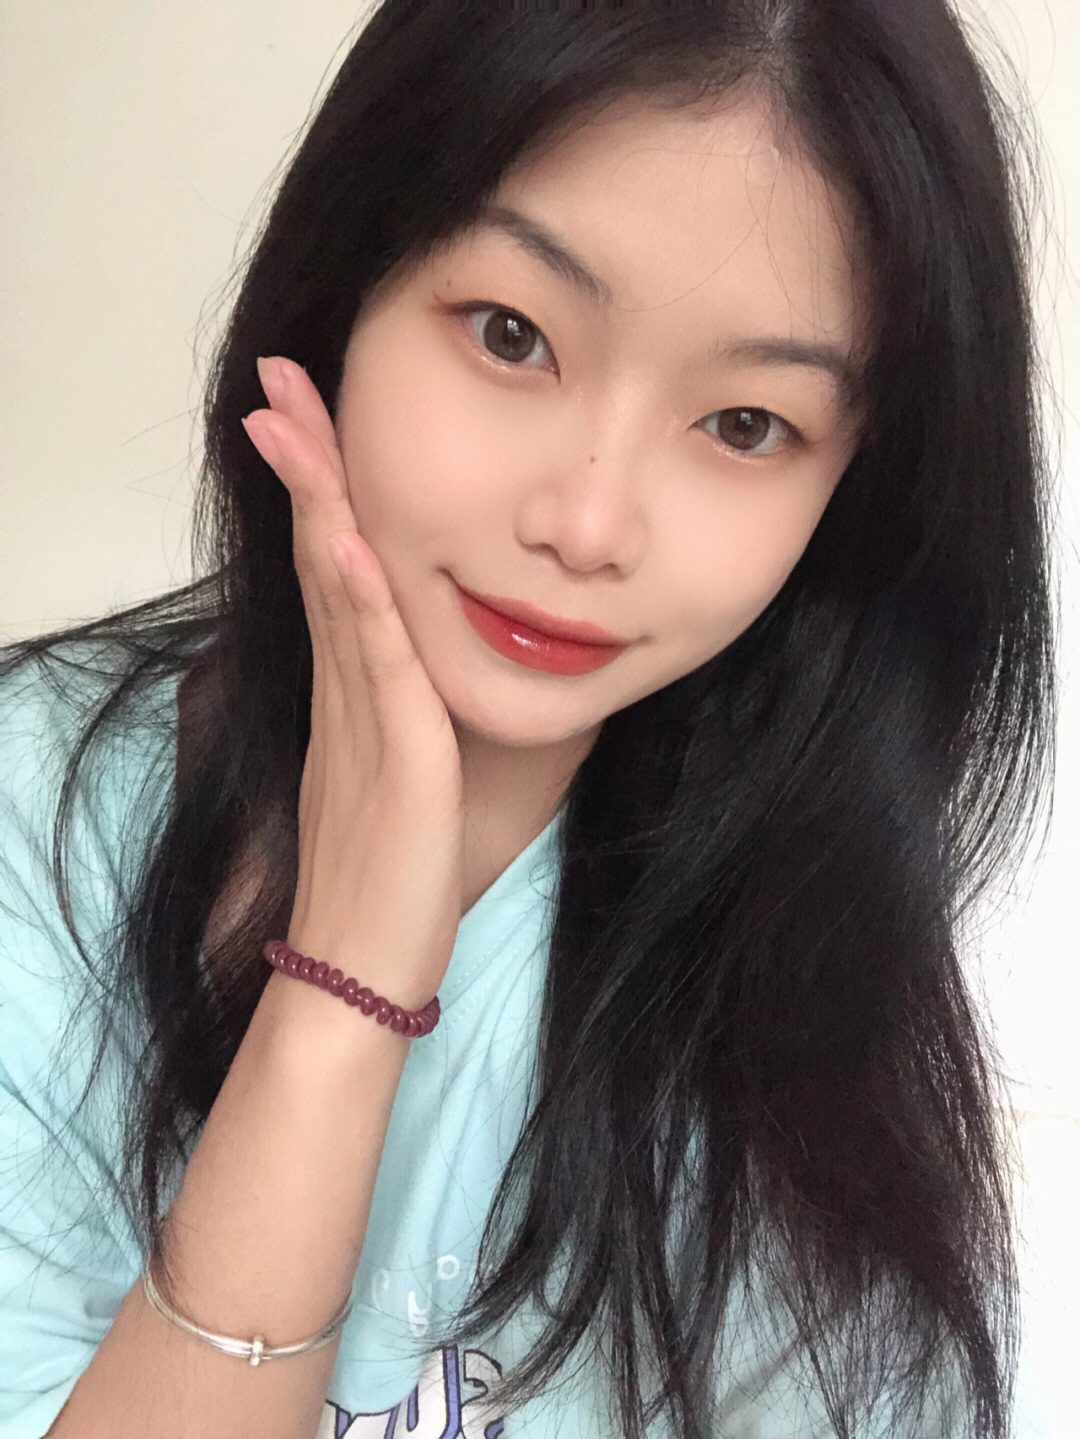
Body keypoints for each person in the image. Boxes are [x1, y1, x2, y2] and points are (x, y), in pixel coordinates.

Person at [0, 0, 1057, 1435]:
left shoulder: (811, 987)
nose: (588, 523)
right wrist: (343, 991)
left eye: (746, 425)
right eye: (512, 336)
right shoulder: (39, 822)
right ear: (343, 293)